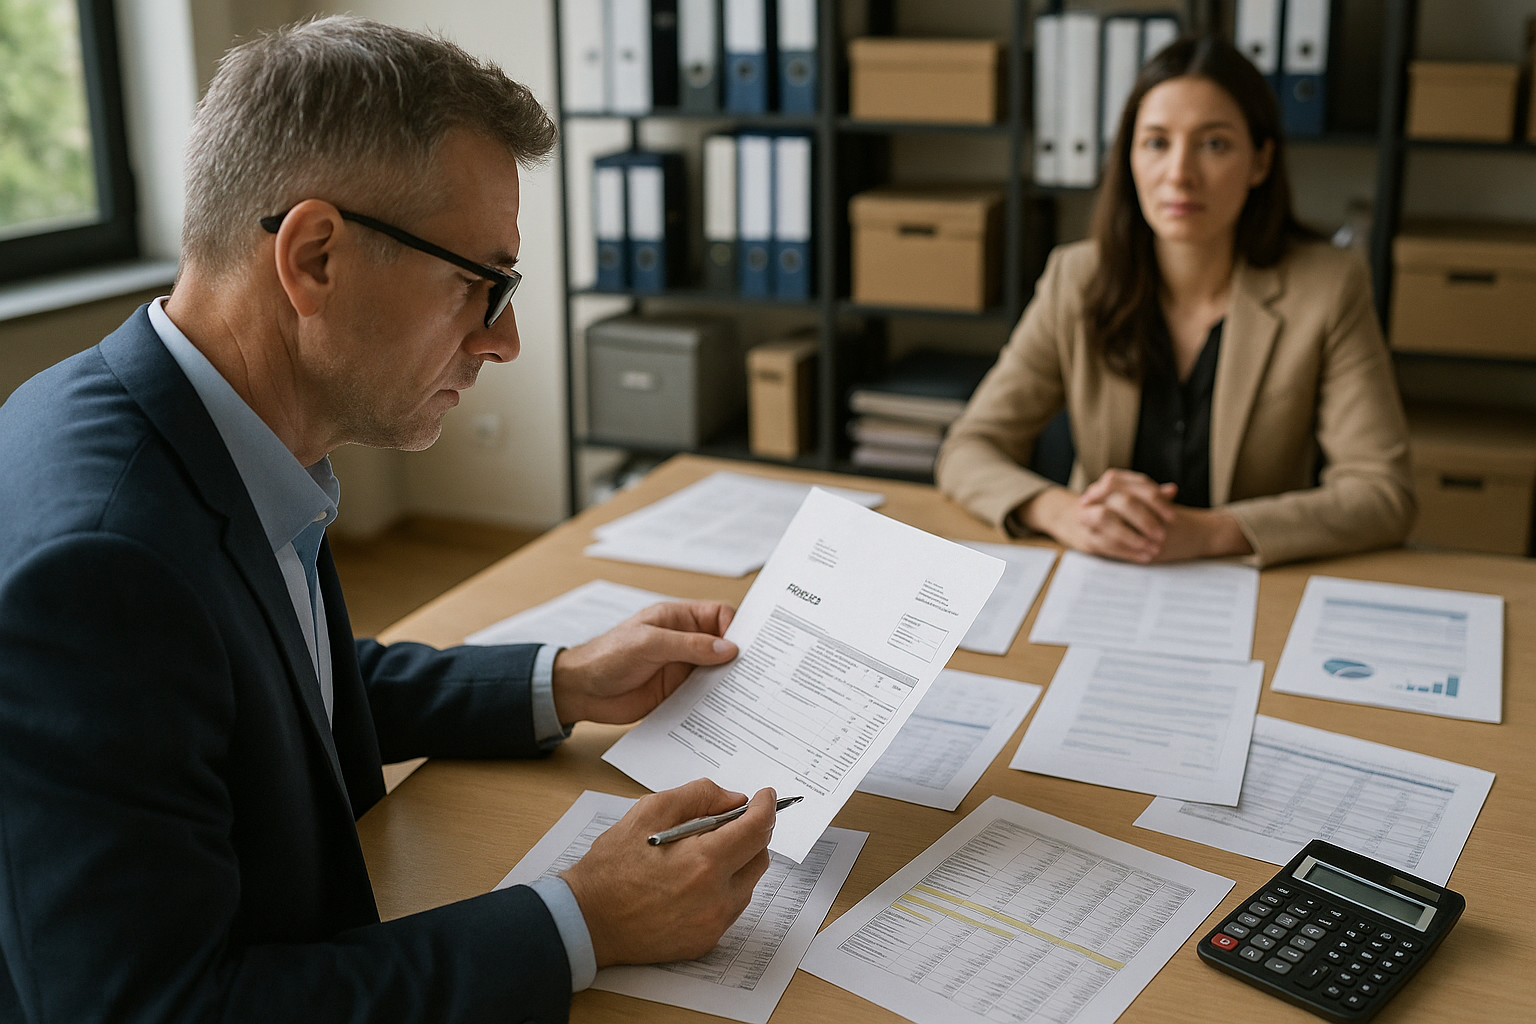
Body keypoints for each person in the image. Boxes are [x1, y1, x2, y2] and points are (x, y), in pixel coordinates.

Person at [0, 17, 776, 1023]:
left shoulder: (192, 423)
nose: (505, 339)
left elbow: (281, 686)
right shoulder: (104, 566)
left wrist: (566, 678)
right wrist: (583, 918)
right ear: (314, 255)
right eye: (478, 282)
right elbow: (159, 1008)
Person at [936, 36, 1414, 568]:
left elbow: (1383, 493)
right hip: (1103, 576)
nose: (1180, 174)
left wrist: (1210, 533)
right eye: (1157, 142)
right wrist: (1064, 513)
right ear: (1130, 157)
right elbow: (969, 447)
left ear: (1260, 161)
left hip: (1253, 585)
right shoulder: (1077, 278)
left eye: (1214, 144)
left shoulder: (1328, 287)